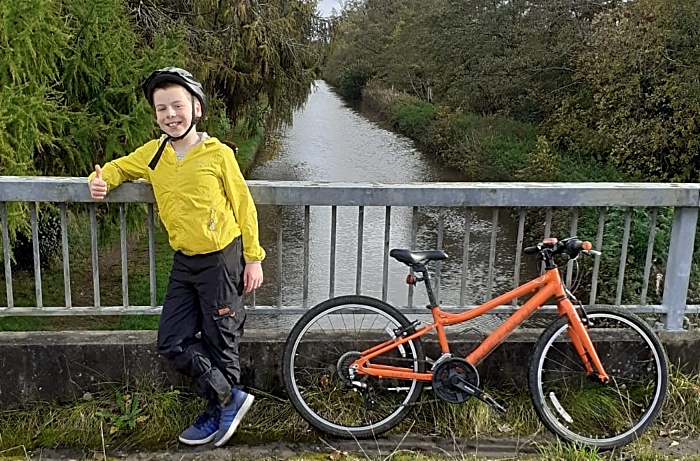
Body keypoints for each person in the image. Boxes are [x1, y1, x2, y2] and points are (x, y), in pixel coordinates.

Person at [88, 67, 265, 447]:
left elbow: (244, 206)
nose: (171, 114)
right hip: (185, 261)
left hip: (222, 258)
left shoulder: (218, 154)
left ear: (196, 108)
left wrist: (254, 258)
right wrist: (100, 179)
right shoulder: (153, 155)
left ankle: (217, 412)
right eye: (162, 108)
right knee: (172, 340)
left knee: (222, 341)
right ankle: (228, 398)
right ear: (155, 115)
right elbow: (119, 168)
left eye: (178, 106)